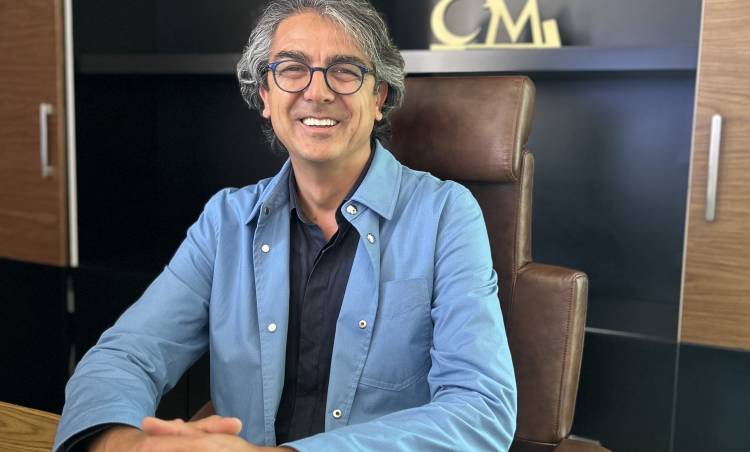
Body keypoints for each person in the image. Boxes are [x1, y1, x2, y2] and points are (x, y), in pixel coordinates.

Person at [53, 0, 517, 450]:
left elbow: (481, 408)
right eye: (292, 69)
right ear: (265, 96)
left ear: (378, 97)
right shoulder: (226, 221)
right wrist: (121, 444)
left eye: (344, 70)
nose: (317, 92)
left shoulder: (446, 215)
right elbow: (127, 354)